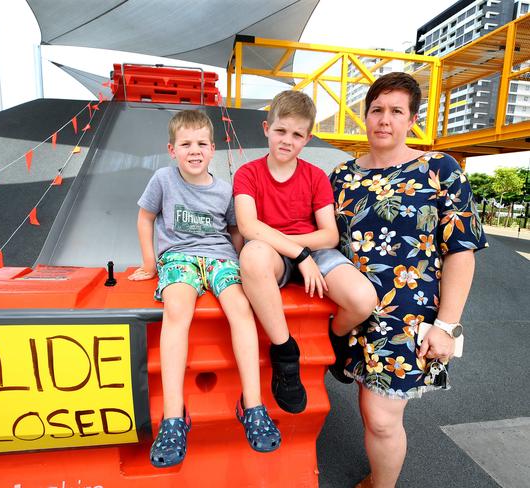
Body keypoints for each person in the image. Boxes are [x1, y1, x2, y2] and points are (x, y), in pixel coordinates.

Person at [329, 72, 488, 488]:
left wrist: (447, 325)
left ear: (411, 119)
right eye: (377, 110)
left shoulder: (440, 169)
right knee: (367, 406)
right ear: (365, 116)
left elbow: (461, 250)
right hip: (349, 311)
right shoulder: (341, 176)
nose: (385, 119)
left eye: (396, 111)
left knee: (382, 418)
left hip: (408, 320)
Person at [129, 109, 280, 468]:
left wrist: (245, 263)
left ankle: (254, 405)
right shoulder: (163, 180)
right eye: (185, 144)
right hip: (178, 258)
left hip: (220, 259)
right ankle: (173, 417)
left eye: (201, 143)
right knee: (177, 310)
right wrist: (150, 264)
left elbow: (234, 231)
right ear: (171, 149)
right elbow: (145, 217)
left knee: (241, 310)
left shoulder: (225, 190)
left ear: (213, 149)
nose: (193, 150)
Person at [233, 90, 378, 414]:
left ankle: (336, 336)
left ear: (307, 138)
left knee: (363, 299)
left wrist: (301, 250)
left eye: (297, 134)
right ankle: (285, 353)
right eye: (281, 130)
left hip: (313, 249)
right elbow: (249, 226)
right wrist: (297, 254)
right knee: (253, 254)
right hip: (275, 253)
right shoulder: (248, 174)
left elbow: (328, 234)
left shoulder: (314, 177)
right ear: (266, 128)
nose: (287, 140)